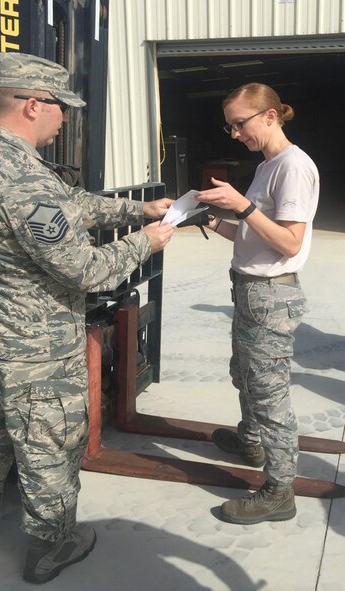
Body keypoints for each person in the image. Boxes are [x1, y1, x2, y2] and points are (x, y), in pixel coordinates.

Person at [0, 52, 174, 583]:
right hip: (36, 351)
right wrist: (147, 241)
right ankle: (51, 545)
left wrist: (137, 210)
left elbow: (70, 204)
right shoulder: (23, 178)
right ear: (31, 105)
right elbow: (85, 270)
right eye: (60, 108)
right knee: (49, 447)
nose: (65, 119)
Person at [196, 83, 319, 525]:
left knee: (269, 394)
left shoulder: (293, 167)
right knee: (244, 373)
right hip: (249, 289)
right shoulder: (268, 166)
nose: (234, 134)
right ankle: (251, 439)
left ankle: (279, 489)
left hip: (270, 297)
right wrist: (214, 219)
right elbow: (257, 236)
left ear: (269, 116)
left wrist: (242, 206)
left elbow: (288, 242)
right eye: (230, 126)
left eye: (239, 123)